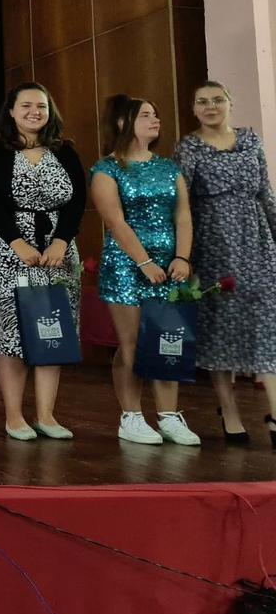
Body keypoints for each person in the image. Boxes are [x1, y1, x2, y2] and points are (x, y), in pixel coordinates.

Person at [0, 83, 86, 441]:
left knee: (52, 326)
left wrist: (61, 241)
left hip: (58, 251)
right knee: (11, 330)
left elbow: (77, 202)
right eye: (26, 105)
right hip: (5, 247)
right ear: (10, 111)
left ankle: (47, 416)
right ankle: (14, 417)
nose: (34, 111)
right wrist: (17, 242)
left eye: (41, 106)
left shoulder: (64, 150)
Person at [91, 95, 198, 446]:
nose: (155, 120)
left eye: (156, 114)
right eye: (146, 115)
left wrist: (182, 257)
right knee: (133, 343)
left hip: (169, 265)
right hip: (127, 265)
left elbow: (183, 216)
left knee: (168, 340)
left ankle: (169, 416)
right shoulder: (107, 168)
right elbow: (115, 221)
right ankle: (131, 416)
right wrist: (144, 262)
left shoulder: (168, 168)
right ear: (123, 122)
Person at [173, 81, 276, 446]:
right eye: (202, 101)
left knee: (267, 321)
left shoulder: (250, 140)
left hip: (257, 238)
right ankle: (229, 411)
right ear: (194, 109)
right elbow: (181, 202)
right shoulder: (188, 147)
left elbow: (265, 192)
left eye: (218, 99)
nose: (211, 106)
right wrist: (183, 254)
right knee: (221, 326)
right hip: (213, 240)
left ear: (230, 103)